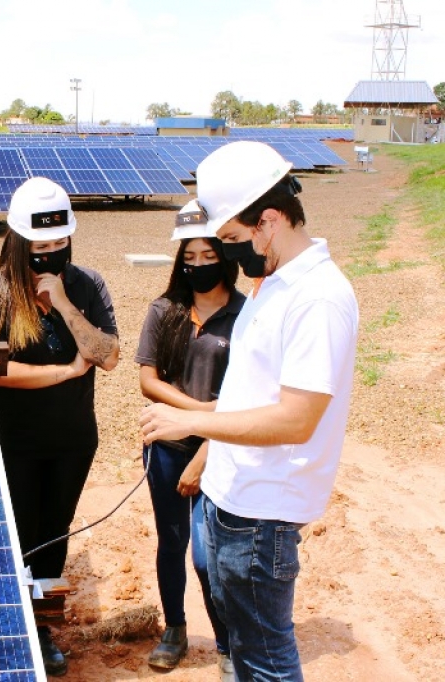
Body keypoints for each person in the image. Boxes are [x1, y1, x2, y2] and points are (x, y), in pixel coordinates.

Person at [139, 141, 359, 682]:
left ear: (270, 220)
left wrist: (192, 422)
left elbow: (295, 419)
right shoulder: (275, 285)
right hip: (232, 497)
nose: (229, 256)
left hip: (263, 515)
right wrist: (209, 457)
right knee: (242, 644)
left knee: (266, 658)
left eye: (232, 241)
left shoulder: (318, 298)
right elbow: (248, 393)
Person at [0, 177, 120, 676]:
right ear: (19, 244)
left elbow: (108, 357)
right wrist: (63, 372)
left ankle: (42, 628)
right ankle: (12, 622)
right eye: (41, 248)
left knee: (54, 535)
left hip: (72, 441)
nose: (52, 255)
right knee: (17, 533)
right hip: (15, 442)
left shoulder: (87, 284)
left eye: (60, 244)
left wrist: (61, 302)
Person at [135, 200, 243, 681]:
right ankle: (174, 630)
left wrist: (205, 432)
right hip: (165, 448)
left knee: (207, 554)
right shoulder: (165, 310)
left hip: (219, 449)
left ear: (226, 254)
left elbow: (249, 398)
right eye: (189, 256)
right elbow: (148, 379)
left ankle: (225, 641)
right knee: (171, 542)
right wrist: (199, 413)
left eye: (208, 254)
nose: (198, 264)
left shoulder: (246, 314)